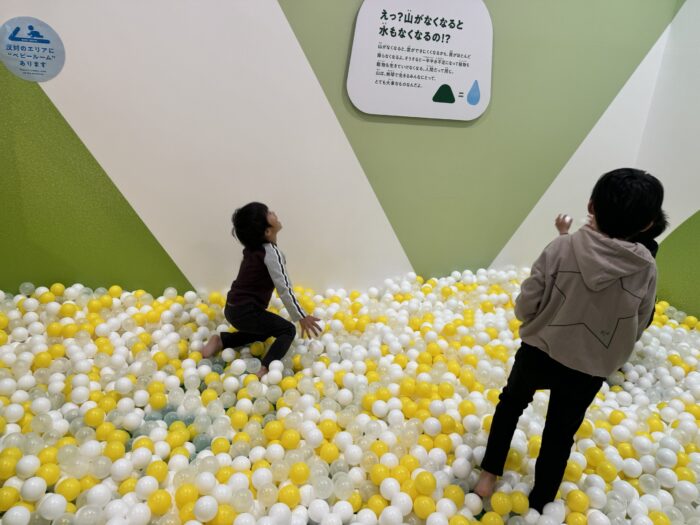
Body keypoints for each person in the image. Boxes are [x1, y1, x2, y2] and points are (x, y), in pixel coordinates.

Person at [474, 168, 664, 512]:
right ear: (649, 224)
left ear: (591, 206)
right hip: (589, 368)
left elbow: (527, 303)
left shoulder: (561, 247)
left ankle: (488, 475)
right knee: (560, 433)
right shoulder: (645, 267)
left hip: (540, 350)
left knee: (511, 404)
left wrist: (533, 318)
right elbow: (640, 321)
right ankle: (541, 502)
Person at [201, 202, 321, 378]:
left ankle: (222, 341)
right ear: (267, 232)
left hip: (233, 309)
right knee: (288, 330)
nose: (273, 212)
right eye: (269, 213)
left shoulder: (252, 249)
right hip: (247, 312)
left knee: (265, 331)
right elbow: (284, 288)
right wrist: (301, 316)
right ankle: (264, 368)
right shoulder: (271, 253)